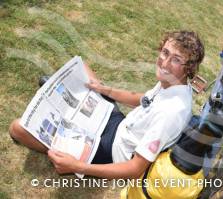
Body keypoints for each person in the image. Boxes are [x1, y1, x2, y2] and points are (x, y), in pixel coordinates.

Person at [8, 30, 205, 179]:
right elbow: (142, 99)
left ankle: (63, 126)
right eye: (165, 52)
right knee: (82, 67)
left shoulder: (171, 112)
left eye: (176, 59)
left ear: (189, 69)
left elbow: (135, 169)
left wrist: (78, 167)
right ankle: (65, 94)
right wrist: (105, 90)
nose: (164, 63)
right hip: (119, 125)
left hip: (111, 151)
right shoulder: (172, 83)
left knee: (17, 128)